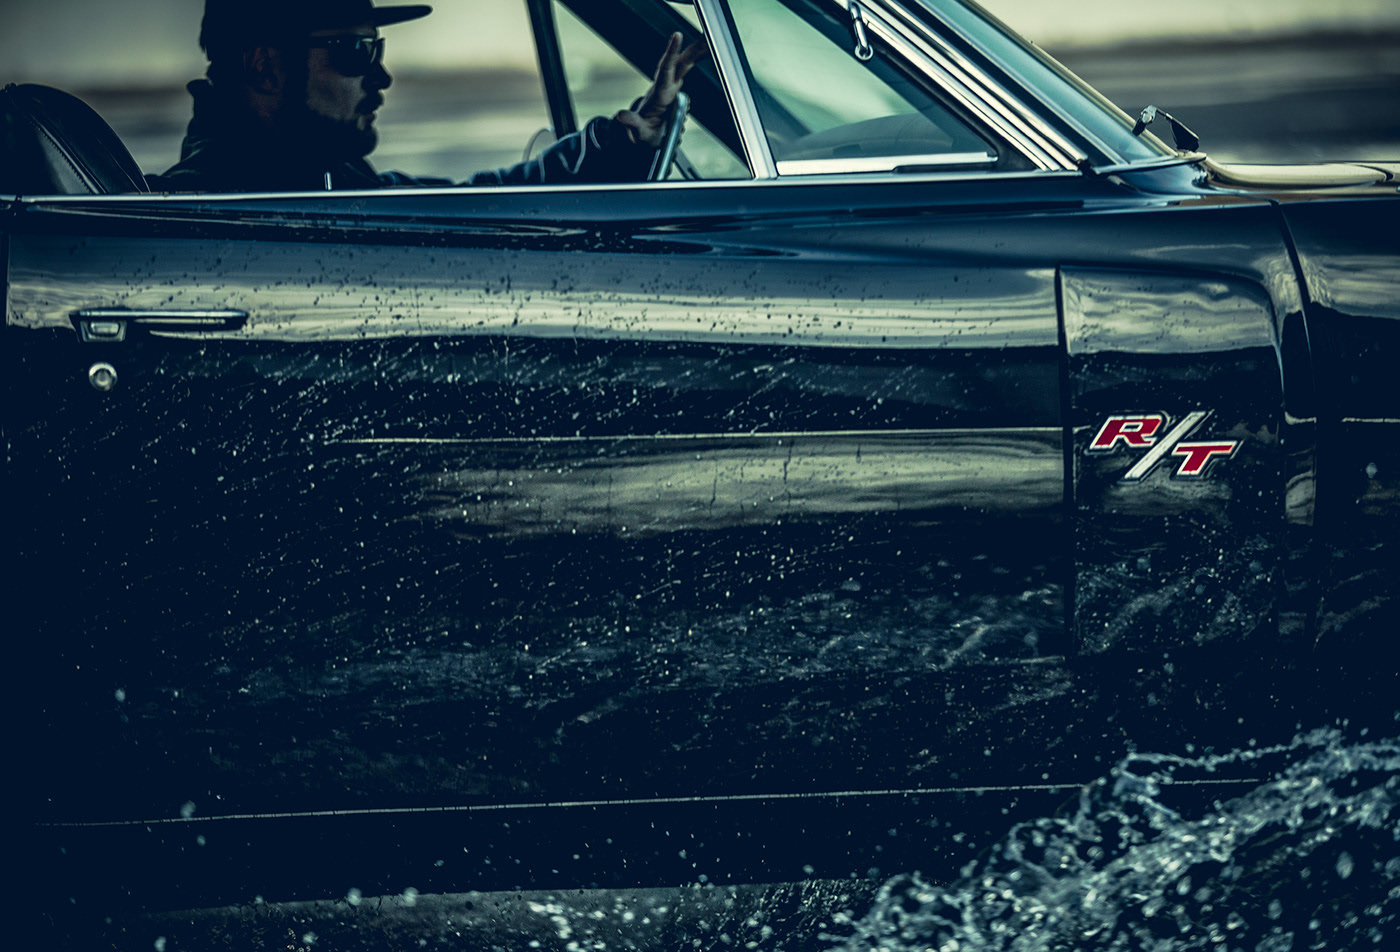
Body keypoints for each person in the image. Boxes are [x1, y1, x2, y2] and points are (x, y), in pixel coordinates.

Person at [148, 0, 702, 192]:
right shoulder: (213, 214)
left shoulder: (326, 183)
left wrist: (618, 143)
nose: (381, 77)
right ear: (266, 68)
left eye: (378, 48)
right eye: (355, 52)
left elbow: (485, 204)